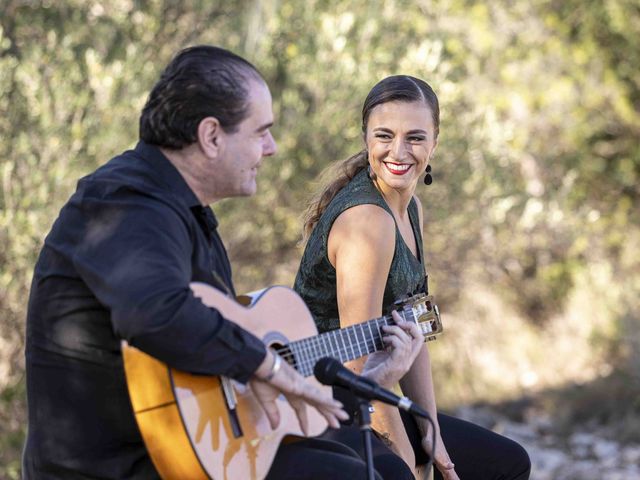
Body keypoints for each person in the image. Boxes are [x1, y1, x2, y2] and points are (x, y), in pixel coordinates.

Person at [22, 46, 421, 480]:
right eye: (260, 132)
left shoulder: (187, 215)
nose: (270, 148)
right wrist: (265, 364)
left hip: (193, 449)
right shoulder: (124, 203)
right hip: (117, 466)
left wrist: (368, 382)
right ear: (211, 136)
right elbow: (155, 312)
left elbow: (227, 391)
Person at [294, 75, 532, 480]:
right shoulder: (367, 221)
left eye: (415, 138)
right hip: (325, 404)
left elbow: (414, 324)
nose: (398, 152)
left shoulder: (411, 210)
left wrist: (431, 430)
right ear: (366, 138)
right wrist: (410, 463)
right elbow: (362, 367)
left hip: (368, 391)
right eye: (384, 136)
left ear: (435, 142)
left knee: (508, 463)